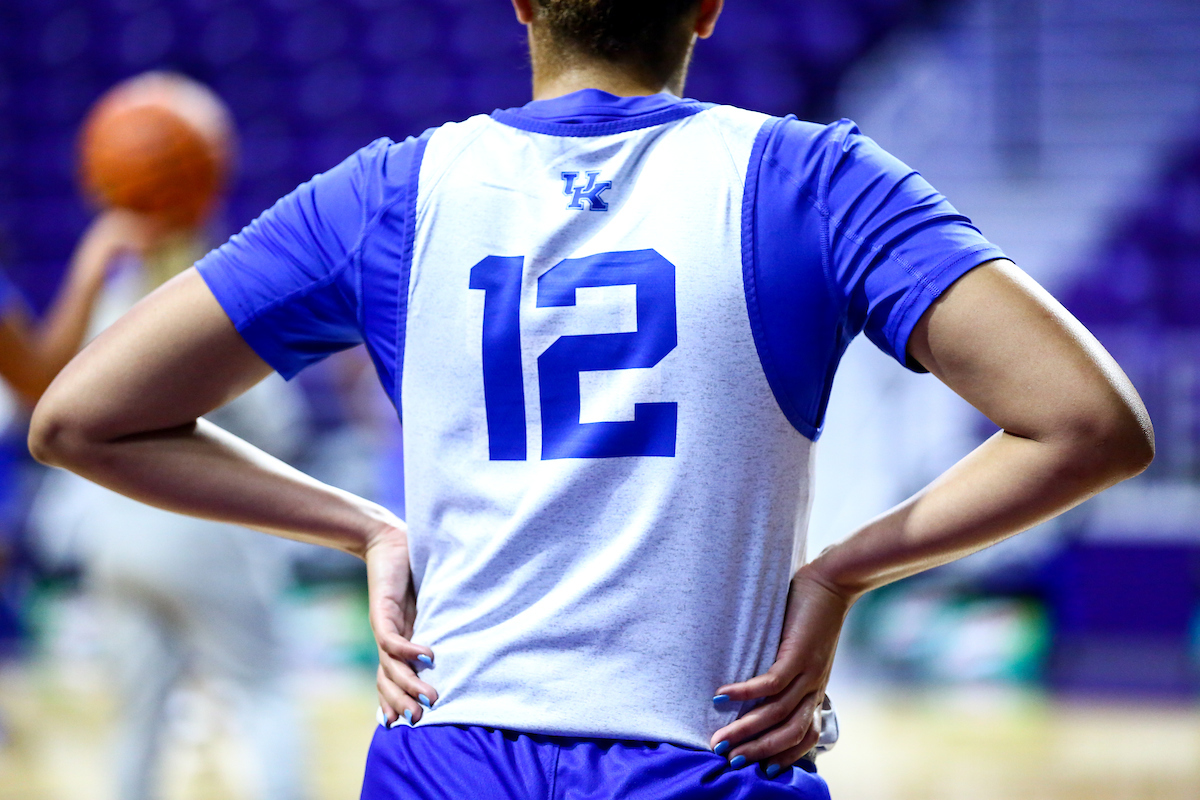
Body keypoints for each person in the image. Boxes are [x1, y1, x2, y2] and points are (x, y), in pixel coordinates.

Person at [27, 0, 1153, 797]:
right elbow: (1090, 421)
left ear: (521, 5)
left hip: (449, 753)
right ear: (707, 8)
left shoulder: (389, 192)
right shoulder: (813, 180)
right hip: (707, 751)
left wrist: (362, 523)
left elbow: (78, 415)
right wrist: (844, 569)